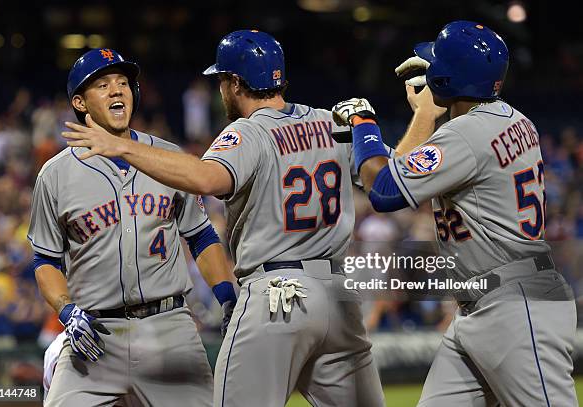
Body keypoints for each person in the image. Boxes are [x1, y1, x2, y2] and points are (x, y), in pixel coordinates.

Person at [61, 30, 429, 407]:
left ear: (235, 83)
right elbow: (393, 180)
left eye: (221, 80)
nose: (221, 90)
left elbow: (205, 179)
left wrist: (122, 145)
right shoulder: (329, 122)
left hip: (278, 297)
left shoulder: (247, 132)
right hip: (338, 299)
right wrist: (424, 114)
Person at [332, 21, 577, 406]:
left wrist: (364, 125)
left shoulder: (466, 135)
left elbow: (383, 190)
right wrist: (426, 117)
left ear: (449, 80)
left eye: (435, 68)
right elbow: (400, 172)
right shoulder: (514, 121)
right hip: (488, 302)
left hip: (514, 306)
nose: (428, 75)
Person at [28, 48, 237, 407]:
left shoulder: (168, 159)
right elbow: (46, 260)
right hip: (94, 335)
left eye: (123, 83)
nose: (117, 90)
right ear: (80, 102)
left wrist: (228, 298)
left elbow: (201, 237)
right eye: (103, 84)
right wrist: (66, 311)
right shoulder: (55, 174)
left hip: (169, 329)